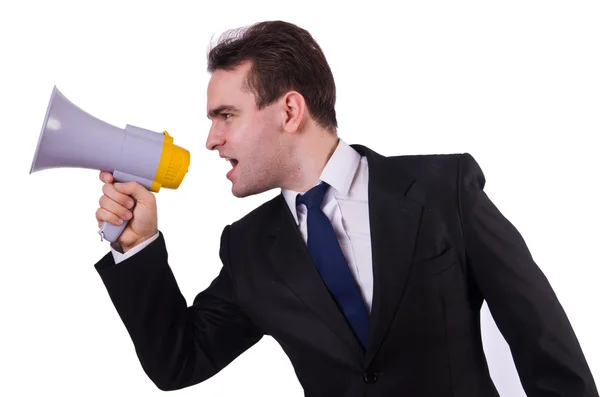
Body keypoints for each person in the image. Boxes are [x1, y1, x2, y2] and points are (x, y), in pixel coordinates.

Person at [93, 20, 598, 397]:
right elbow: (178, 362)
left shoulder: (444, 190)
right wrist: (137, 247)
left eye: (226, 115)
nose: (211, 139)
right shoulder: (250, 249)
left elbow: (546, 348)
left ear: (290, 111)